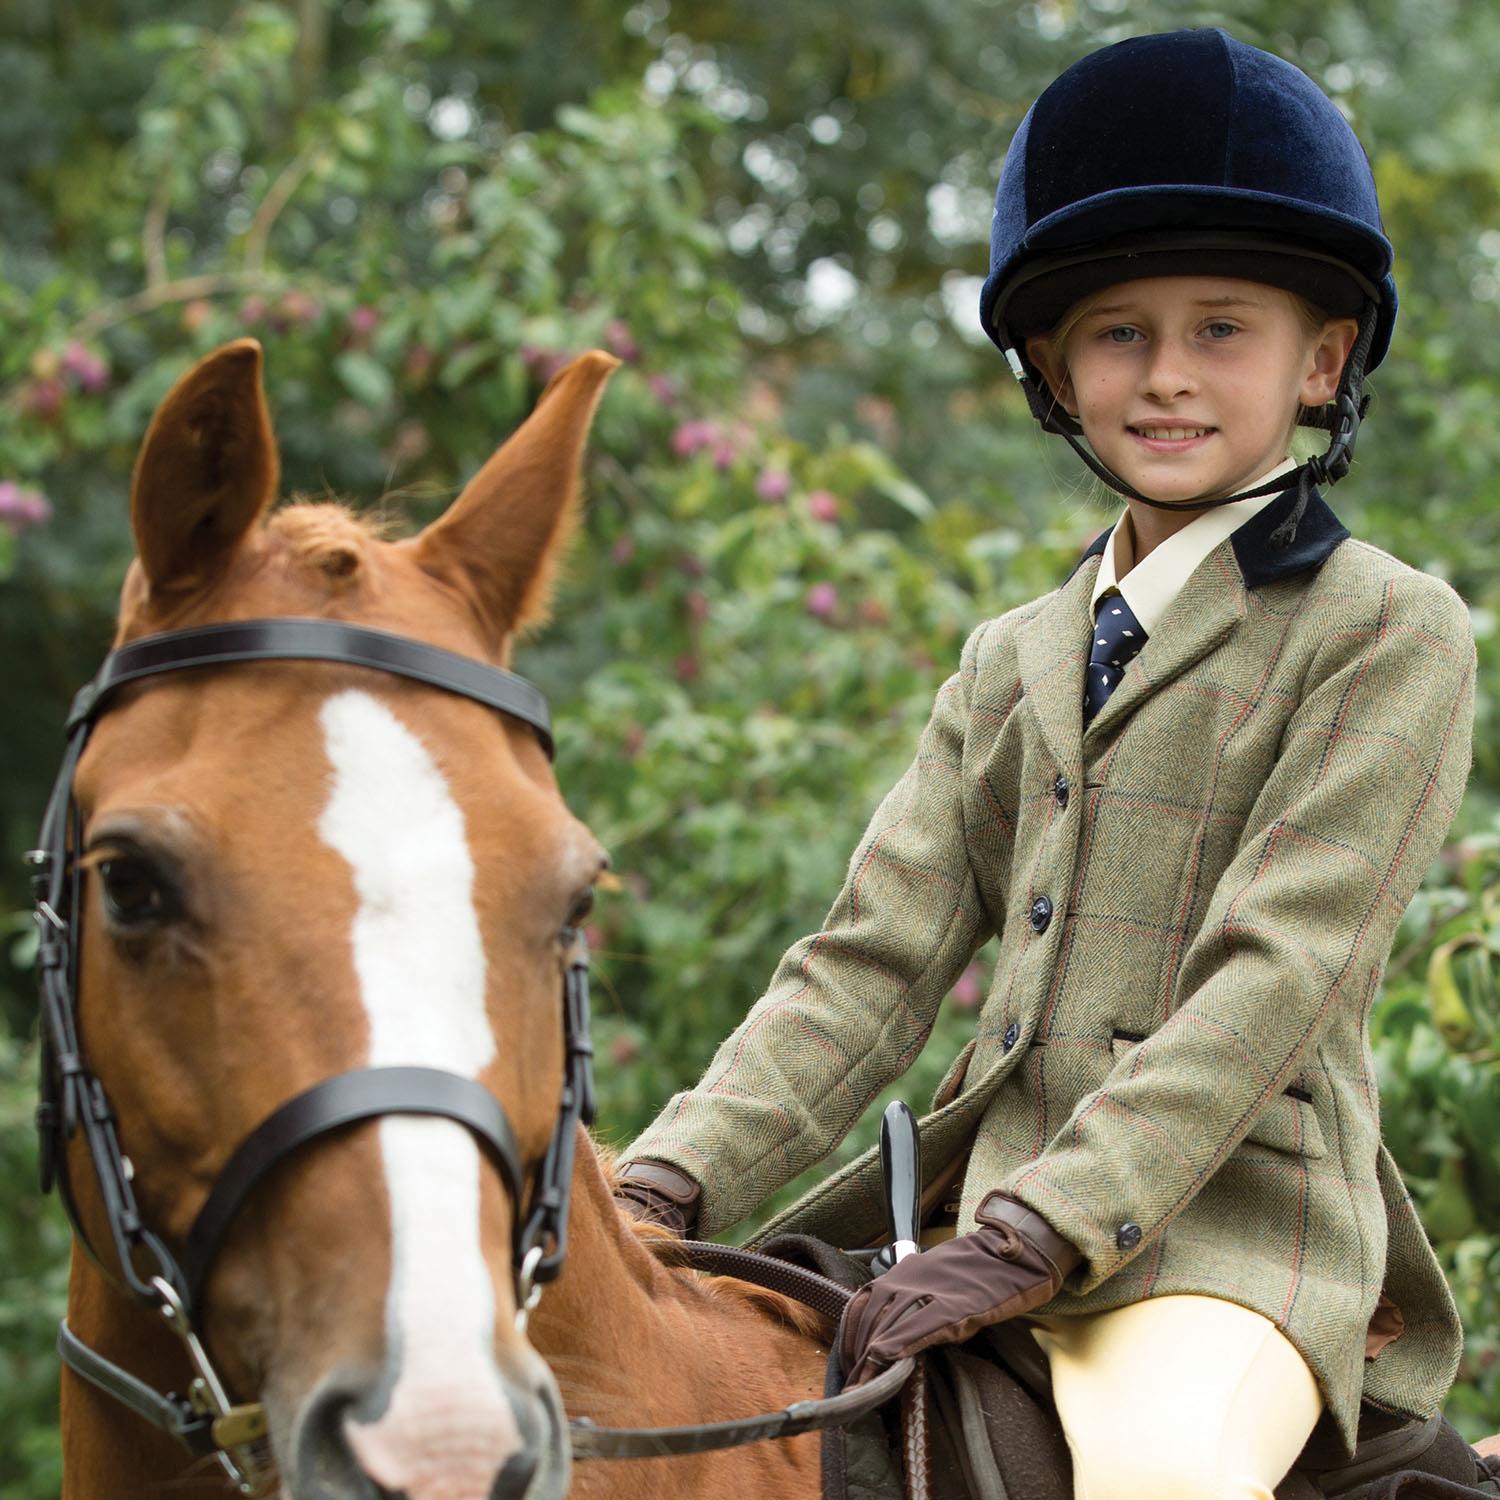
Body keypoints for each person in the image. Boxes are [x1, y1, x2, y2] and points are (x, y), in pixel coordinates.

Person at [616, 28, 1478, 1500]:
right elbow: (868, 965)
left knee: (1161, 1477)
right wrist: (662, 1181)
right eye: (1119, 333)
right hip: (970, 1209)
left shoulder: (1386, 628)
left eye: (1222, 330)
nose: (1167, 376)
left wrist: (1041, 1231)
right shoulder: (1011, 656)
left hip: (1227, 1245)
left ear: (1322, 361)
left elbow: (1276, 979)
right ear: (1057, 373)